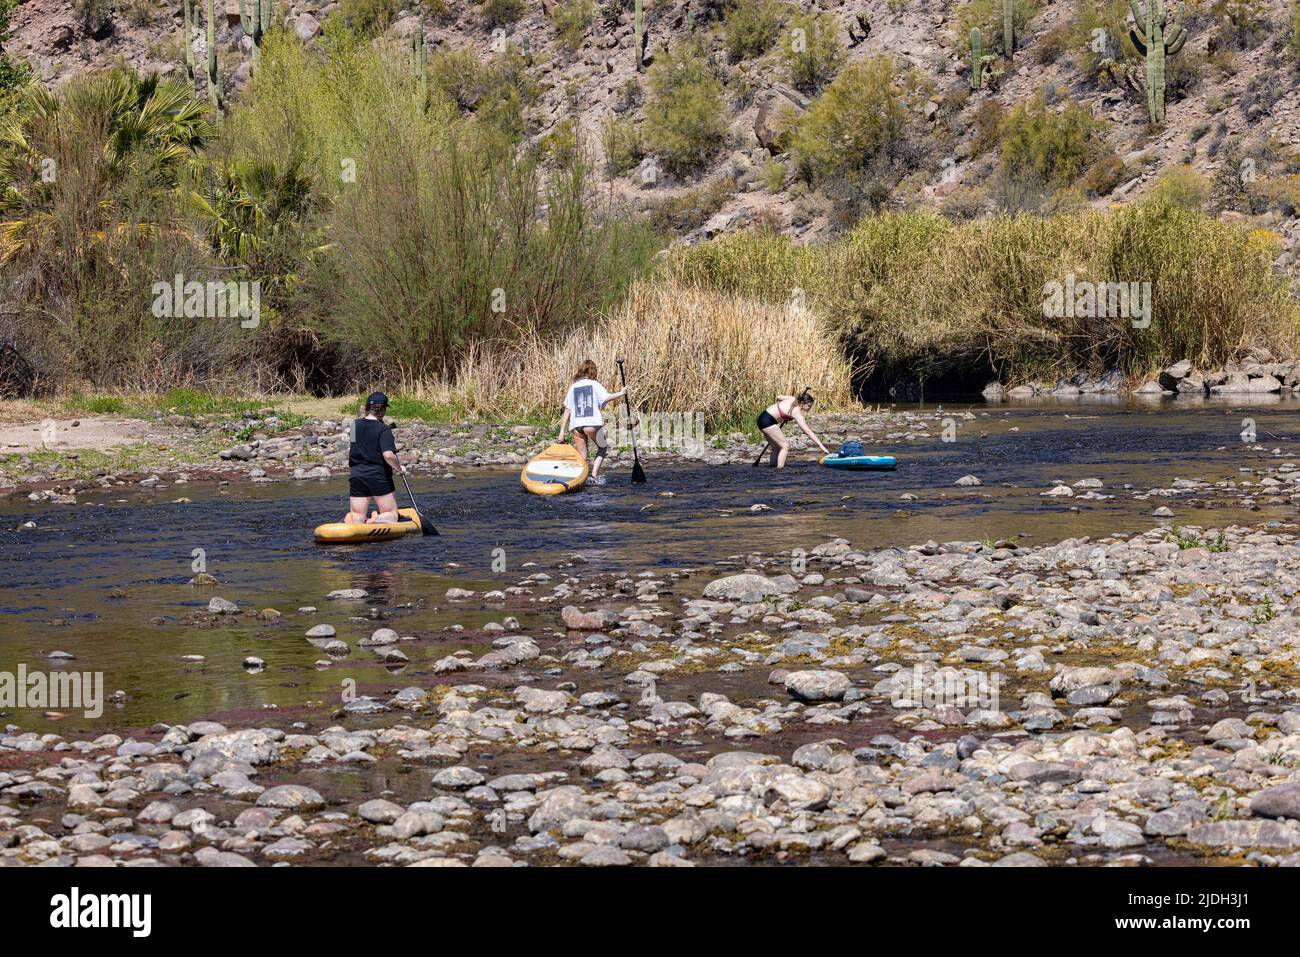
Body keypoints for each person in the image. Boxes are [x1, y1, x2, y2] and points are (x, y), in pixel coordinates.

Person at [558, 359, 624, 485]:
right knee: (602, 447)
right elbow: (607, 397)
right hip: (591, 423)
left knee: (582, 456)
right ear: (593, 371)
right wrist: (622, 393)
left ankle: (577, 479)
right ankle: (594, 477)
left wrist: (562, 432)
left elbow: (567, 410)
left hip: (576, 426)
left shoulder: (573, 387)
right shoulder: (594, 384)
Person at [346, 392, 406, 523]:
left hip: (357, 475)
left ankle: (352, 518)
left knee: (357, 515)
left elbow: (354, 447)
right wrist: (399, 468)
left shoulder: (354, 425)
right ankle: (377, 517)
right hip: (378, 476)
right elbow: (388, 455)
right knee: (391, 513)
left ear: (367, 408)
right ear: (383, 409)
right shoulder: (384, 429)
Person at [757, 387, 830, 468]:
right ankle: (779, 470)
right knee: (785, 446)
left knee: (776, 447)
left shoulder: (792, 398)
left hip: (762, 417)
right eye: (809, 406)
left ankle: (772, 468)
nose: (810, 408)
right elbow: (808, 432)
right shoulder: (796, 413)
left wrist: (781, 412)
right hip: (768, 421)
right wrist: (821, 446)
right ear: (802, 403)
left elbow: (778, 397)